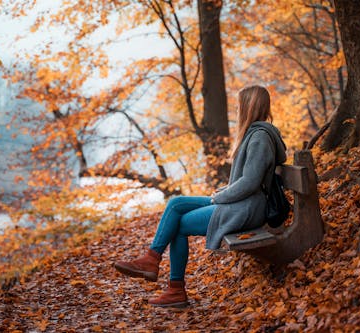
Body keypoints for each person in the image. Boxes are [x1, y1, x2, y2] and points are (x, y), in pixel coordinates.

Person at [113, 84, 287, 307]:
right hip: (243, 203)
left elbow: (250, 182)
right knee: (176, 204)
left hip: (247, 208)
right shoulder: (257, 134)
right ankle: (152, 260)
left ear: (248, 107)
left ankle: (174, 287)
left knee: (179, 224)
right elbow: (246, 181)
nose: (236, 110)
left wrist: (219, 198)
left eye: (239, 105)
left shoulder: (259, 137)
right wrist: (222, 192)